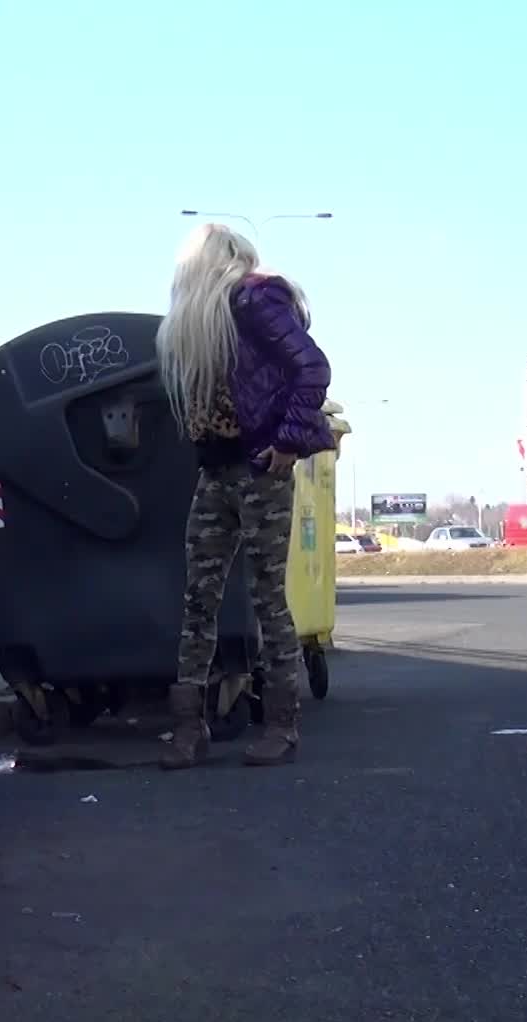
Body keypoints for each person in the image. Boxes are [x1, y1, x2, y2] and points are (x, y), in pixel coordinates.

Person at [154, 223, 334, 769]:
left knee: (265, 598)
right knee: (199, 600)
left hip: (258, 465)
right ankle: (189, 728)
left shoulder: (252, 300)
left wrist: (288, 441)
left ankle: (281, 726)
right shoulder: (204, 316)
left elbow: (312, 368)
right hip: (218, 469)